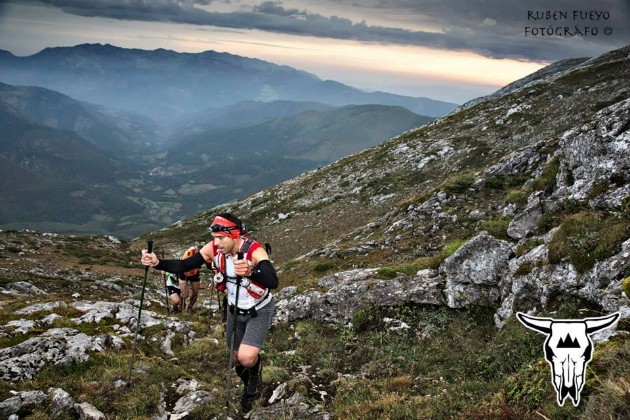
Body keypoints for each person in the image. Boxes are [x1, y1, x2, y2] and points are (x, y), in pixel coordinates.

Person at [141, 212, 278, 411]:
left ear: (235, 235)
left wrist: (251, 271)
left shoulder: (254, 251)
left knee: (246, 358)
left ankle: (253, 382)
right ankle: (249, 379)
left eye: (221, 238)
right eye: (215, 238)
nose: (217, 243)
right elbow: (186, 264)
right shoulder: (214, 248)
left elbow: (272, 280)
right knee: (234, 358)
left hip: (259, 309)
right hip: (233, 309)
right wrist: (157, 263)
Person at [179, 246, 201, 314]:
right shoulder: (190, 252)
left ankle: (190, 308)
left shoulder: (205, 253)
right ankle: (182, 301)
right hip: (184, 272)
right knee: (185, 294)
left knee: (195, 293)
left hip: (194, 273)